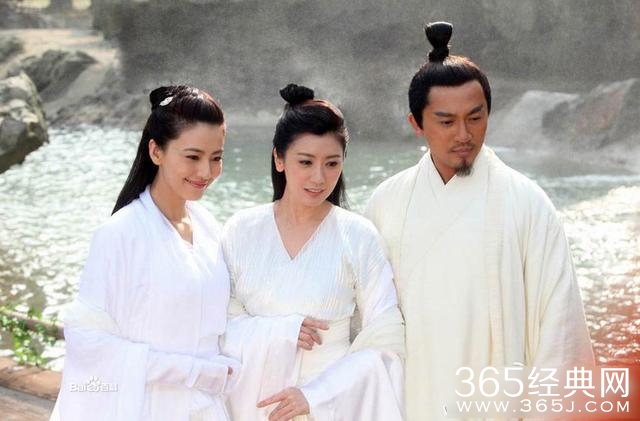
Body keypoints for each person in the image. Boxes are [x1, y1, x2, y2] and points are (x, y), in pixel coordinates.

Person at [364, 22, 594, 420]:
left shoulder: (527, 204)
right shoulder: (386, 203)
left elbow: (560, 329)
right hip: (410, 401)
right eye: (446, 121)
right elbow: (366, 320)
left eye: (475, 117)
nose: (464, 135)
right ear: (416, 124)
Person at [50, 85, 239, 421]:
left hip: (206, 408)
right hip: (145, 408)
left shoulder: (209, 227)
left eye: (216, 158)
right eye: (192, 157)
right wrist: (194, 372)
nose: (206, 172)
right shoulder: (120, 234)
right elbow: (87, 343)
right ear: (156, 151)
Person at [221, 84, 405, 421]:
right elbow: (219, 328)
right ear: (279, 158)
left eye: (332, 163)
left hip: (333, 405)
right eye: (305, 162)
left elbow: (386, 339)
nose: (319, 178)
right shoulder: (240, 231)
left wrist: (316, 395)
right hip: (254, 406)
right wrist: (283, 332)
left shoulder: (358, 236)